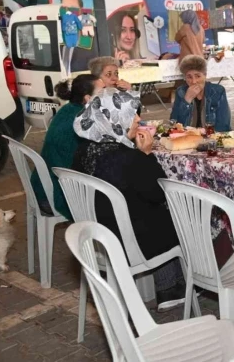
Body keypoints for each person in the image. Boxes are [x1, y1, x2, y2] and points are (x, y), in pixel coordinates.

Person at [72, 89, 185, 311]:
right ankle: (169, 288)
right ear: (114, 119)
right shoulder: (128, 159)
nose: (138, 119)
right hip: (127, 238)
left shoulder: (84, 151)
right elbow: (157, 192)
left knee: (148, 210)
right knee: (174, 212)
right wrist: (147, 155)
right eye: (132, 115)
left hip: (95, 232)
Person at [30, 74, 103, 219]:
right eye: (103, 92)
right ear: (88, 98)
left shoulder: (69, 109)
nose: (107, 95)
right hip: (56, 194)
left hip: (44, 186)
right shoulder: (82, 120)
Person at [170, 55, 231, 131]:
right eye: (189, 77)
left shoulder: (218, 91)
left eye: (198, 76)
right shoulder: (181, 92)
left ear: (205, 75)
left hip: (212, 138)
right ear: (185, 77)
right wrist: (186, 101)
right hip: (189, 138)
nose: (194, 81)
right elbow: (174, 124)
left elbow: (223, 125)